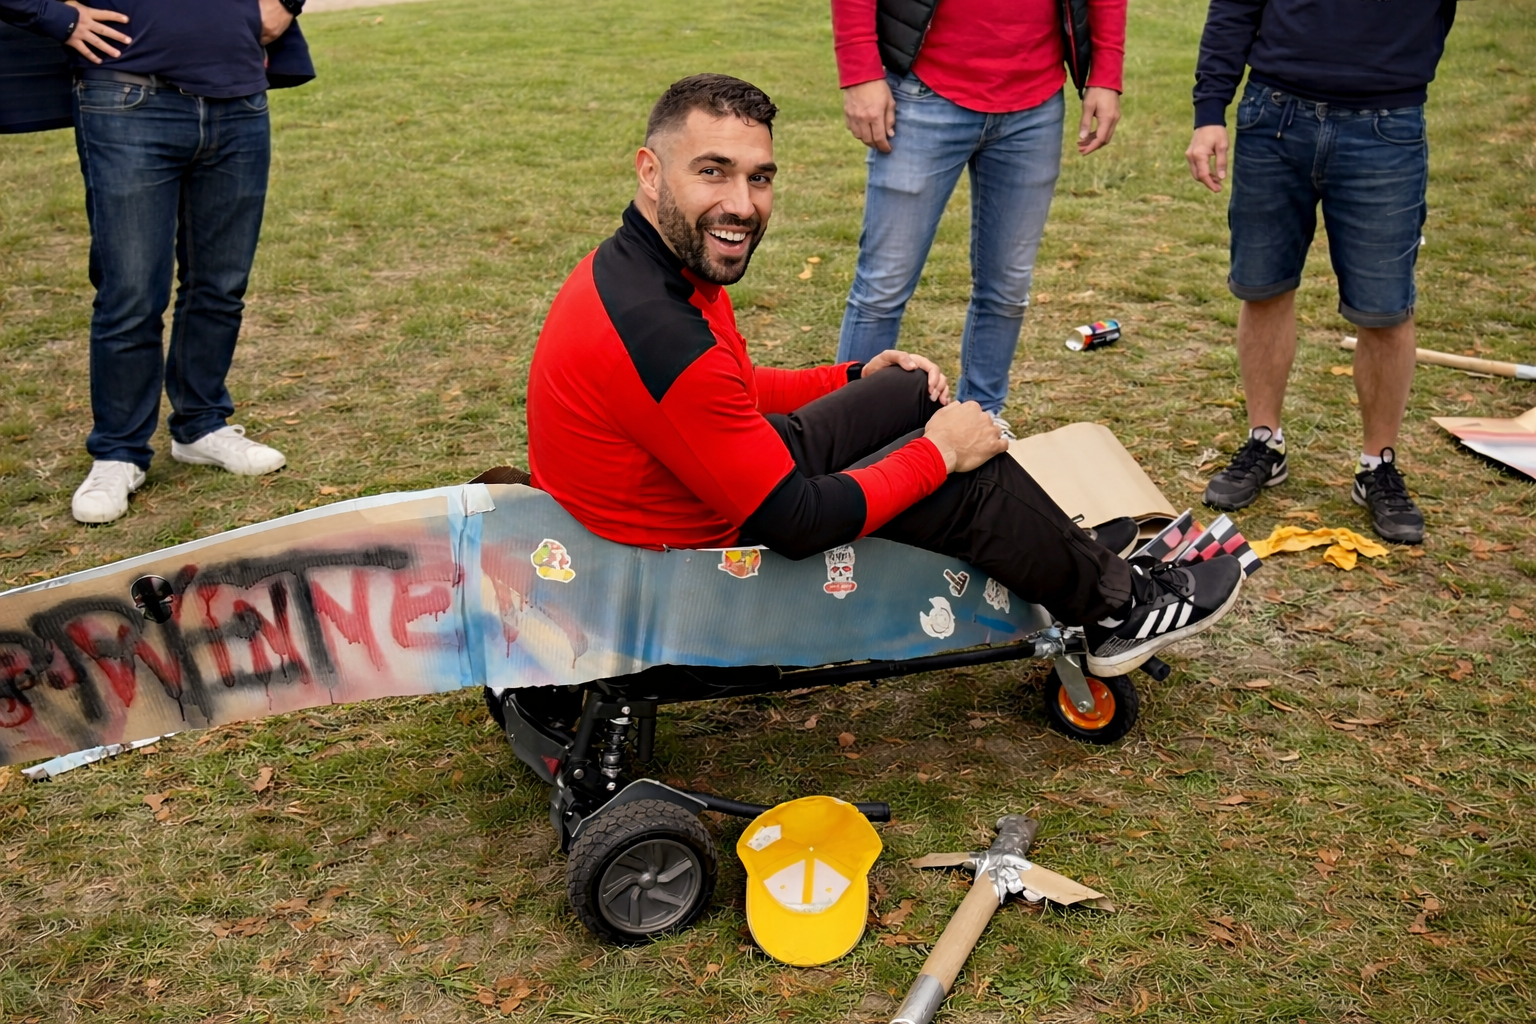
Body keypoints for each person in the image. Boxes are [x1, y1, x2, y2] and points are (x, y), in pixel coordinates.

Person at [526, 74, 1244, 678]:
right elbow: (795, 523)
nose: (741, 205)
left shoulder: (640, 268)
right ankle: (1120, 610)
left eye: (759, 177)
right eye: (712, 171)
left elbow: (727, 389)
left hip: (694, 480)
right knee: (967, 481)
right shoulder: (660, 330)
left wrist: (853, 373)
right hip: (693, 546)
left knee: (908, 388)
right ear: (650, 172)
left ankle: (1066, 555)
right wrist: (940, 455)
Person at [0, 0, 312, 524]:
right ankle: (118, 452)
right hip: (125, 97)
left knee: (220, 285)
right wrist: (57, 17)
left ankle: (202, 426)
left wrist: (287, 1)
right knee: (131, 293)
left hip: (240, 97)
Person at [1187, 0, 1460, 544]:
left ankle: (1376, 465)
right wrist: (1210, 110)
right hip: (1274, 116)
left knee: (1383, 310)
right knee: (1263, 288)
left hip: (1387, 127)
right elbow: (1235, 6)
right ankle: (1265, 442)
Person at [830, 0, 1127, 437]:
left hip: (1036, 103)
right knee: (882, 286)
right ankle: (844, 429)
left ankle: (982, 418)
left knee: (1007, 289)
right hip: (922, 93)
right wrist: (860, 70)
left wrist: (1106, 74)